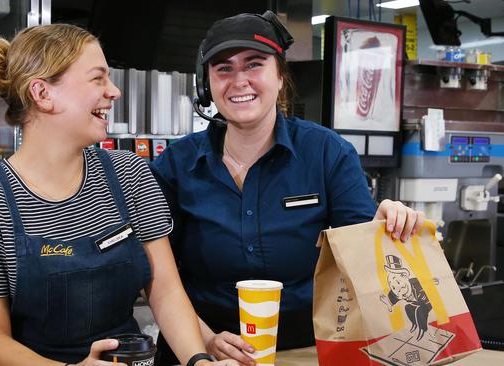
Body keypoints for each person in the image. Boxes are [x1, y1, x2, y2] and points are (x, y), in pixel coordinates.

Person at [0, 24, 234, 366]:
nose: (114, 92)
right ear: (43, 94)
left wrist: (197, 360)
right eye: (98, 78)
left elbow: (165, 291)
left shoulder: (129, 174)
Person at [150, 11, 425, 365]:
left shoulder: (326, 153)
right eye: (223, 68)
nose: (239, 81)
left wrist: (386, 225)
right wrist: (206, 340)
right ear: (207, 86)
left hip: (305, 349)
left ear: (280, 76)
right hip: (199, 348)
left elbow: (361, 257)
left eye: (254, 64)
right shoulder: (176, 164)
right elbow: (156, 274)